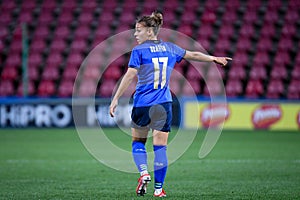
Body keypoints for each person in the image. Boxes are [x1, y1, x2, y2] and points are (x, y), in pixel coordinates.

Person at [109, 11, 231, 197]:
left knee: (138, 142)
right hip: (164, 104)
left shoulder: (138, 51)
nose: (135, 34)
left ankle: (143, 172)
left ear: (150, 31)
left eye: (138, 30)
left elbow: (130, 74)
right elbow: (193, 54)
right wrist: (213, 58)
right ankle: (159, 190)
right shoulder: (170, 48)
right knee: (160, 148)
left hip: (143, 103)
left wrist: (116, 98)